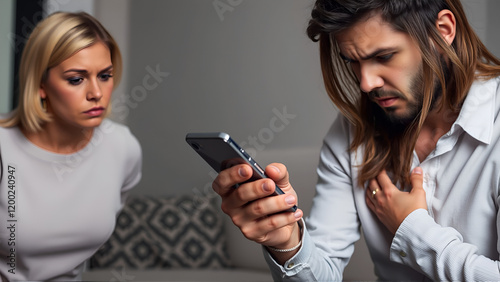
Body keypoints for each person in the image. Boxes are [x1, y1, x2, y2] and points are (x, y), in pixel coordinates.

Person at [212, 0, 500, 280]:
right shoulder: (351, 135)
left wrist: (412, 229)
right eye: (352, 61)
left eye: (383, 56)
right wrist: (286, 241)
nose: (366, 83)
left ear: (443, 30)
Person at [0, 12, 142, 280]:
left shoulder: (122, 147)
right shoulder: (3, 147)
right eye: (77, 79)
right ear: (41, 84)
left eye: (105, 75)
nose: (96, 93)